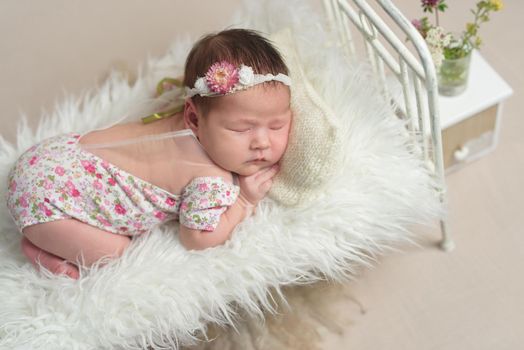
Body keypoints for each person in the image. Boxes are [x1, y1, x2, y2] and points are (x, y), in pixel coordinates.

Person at [6, 29, 292, 279]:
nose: (262, 143)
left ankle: (45, 235)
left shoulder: (171, 113)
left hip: (49, 156)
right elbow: (197, 238)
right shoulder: (211, 179)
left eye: (277, 125)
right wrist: (243, 201)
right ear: (193, 118)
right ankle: (42, 247)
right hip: (49, 208)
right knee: (122, 255)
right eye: (242, 129)